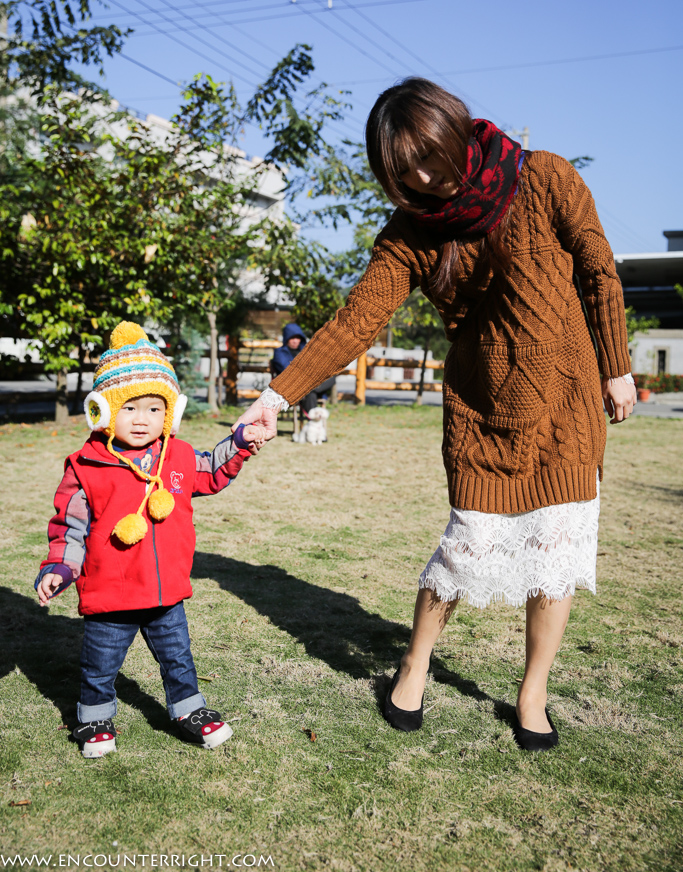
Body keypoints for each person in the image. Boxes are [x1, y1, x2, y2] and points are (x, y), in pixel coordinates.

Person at [235, 78, 636, 752]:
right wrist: (279, 394)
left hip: (567, 400)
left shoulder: (544, 177)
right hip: (482, 406)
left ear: (454, 131)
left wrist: (616, 364)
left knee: (555, 553)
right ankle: (415, 661)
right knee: (465, 546)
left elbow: (598, 268)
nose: (424, 177)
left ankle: (532, 690)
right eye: (404, 169)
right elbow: (356, 319)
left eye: (428, 156)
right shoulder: (411, 235)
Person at [36, 321, 266, 759]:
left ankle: (188, 709)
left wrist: (238, 443)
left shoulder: (176, 456)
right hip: (111, 592)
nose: (143, 420)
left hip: (166, 592)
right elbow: (70, 526)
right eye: (130, 408)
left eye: (155, 409)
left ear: (170, 413)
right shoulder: (86, 466)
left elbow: (210, 470)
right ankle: (95, 717)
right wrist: (59, 567)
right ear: (102, 411)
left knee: (178, 659)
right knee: (101, 664)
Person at [271, 321, 335, 416]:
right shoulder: (279, 353)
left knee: (331, 377)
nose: (295, 341)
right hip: (293, 386)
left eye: (298, 338)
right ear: (286, 338)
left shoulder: (306, 351)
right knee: (311, 394)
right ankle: (314, 423)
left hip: (309, 384)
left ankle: (310, 389)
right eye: (292, 338)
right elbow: (288, 369)